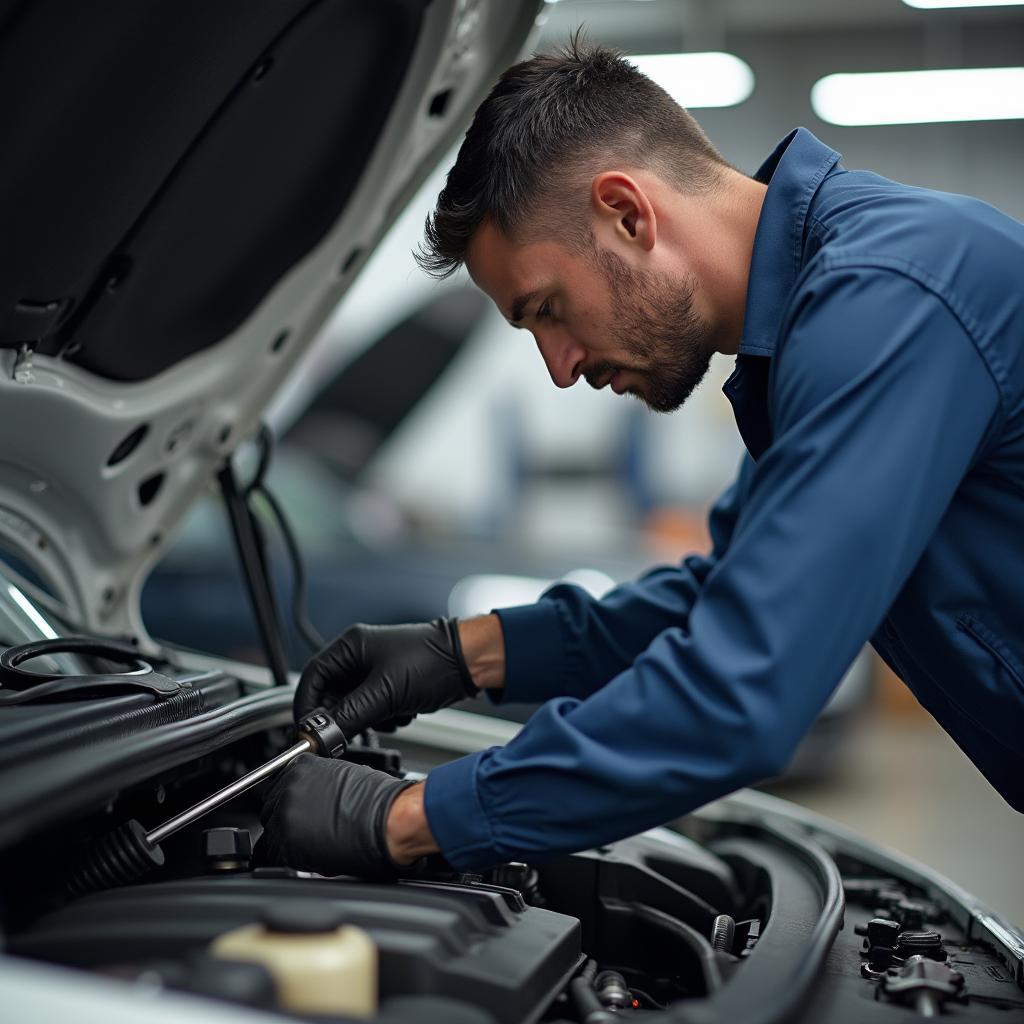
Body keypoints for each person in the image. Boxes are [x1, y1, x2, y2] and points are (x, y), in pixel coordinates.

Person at [256, 38, 1024, 878]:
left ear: (627, 212)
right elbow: (725, 597)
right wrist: (469, 651)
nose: (558, 368)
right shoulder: (811, 334)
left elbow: (742, 688)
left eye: (547, 309)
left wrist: (408, 818)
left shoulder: (889, 300)